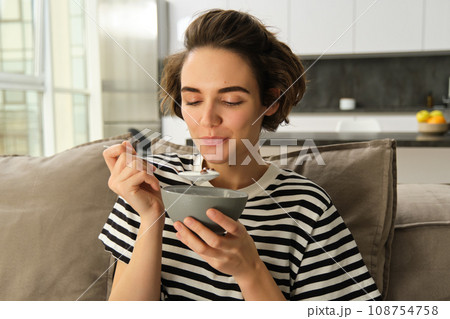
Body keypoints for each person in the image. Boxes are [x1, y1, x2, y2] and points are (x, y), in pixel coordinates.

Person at [99, 9, 381, 301]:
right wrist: (151, 217)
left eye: (231, 101)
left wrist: (250, 270)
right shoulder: (149, 185)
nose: (206, 119)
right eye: (193, 100)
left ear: (271, 101)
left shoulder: (306, 207)